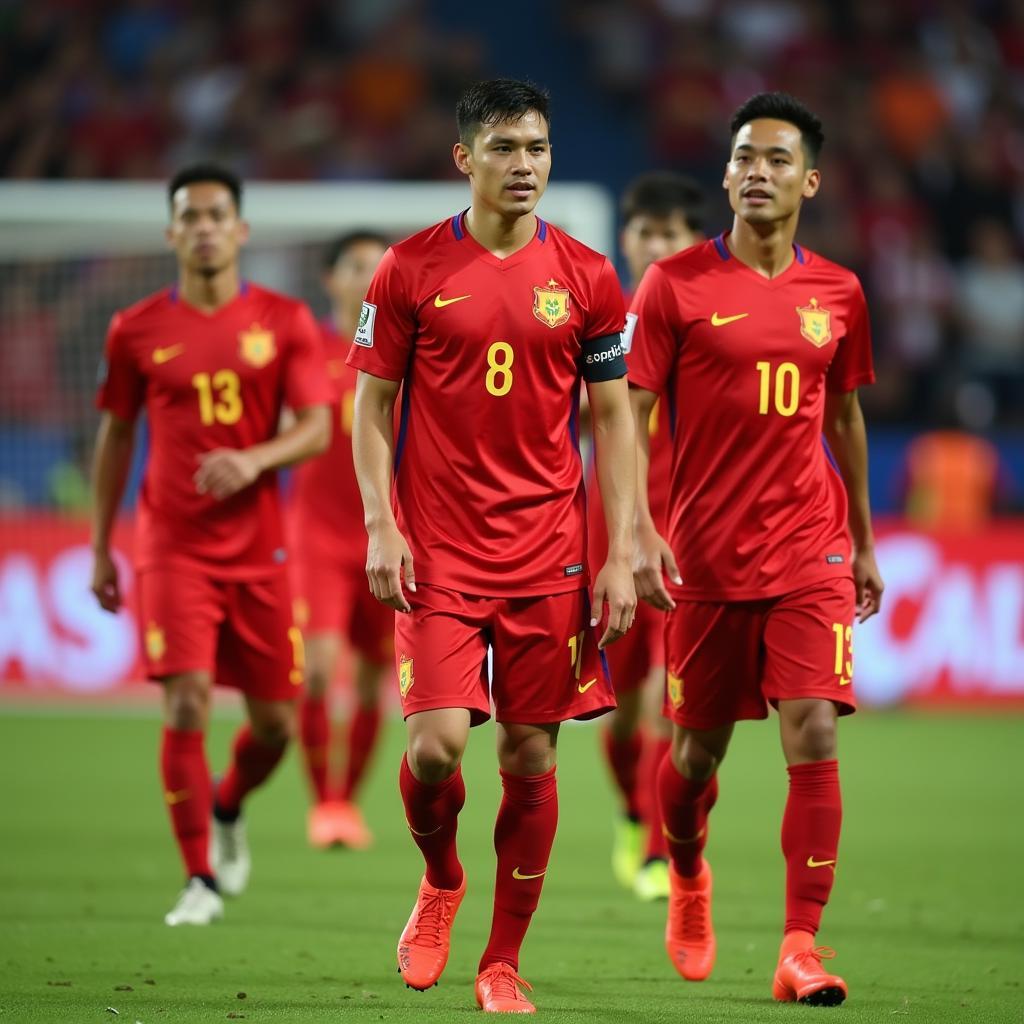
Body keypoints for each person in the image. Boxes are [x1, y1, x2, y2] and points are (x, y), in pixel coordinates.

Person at [348, 79, 637, 1014]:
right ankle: (440, 883)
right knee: (434, 751)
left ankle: (502, 962)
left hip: (549, 551)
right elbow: (371, 406)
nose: (526, 165)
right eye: (507, 148)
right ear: (464, 158)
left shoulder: (589, 275)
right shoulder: (408, 268)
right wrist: (381, 521)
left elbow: (614, 421)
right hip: (437, 552)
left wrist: (621, 547)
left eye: (540, 148)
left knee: (529, 757)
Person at [627, 93, 884, 1005]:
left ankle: (799, 948)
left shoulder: (840, 292)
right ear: (727, 175)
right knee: (694, 758)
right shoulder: (674, 287)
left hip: (810, 550)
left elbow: (845, 415)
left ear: (808, 180)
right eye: (744, 158)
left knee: (813, 727)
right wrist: (635, 525)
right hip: (704, 558)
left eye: (778, 160)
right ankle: (687, 870)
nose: (759, 172)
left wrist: (860, 539)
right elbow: (632, 412)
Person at [90, 163, 331, 927]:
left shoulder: (285, 321)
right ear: (171, 233)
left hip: (261, 550)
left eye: (215, 215)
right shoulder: (134, 329)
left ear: (241, 230)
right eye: (188, 216)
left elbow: (318, 427)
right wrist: (102, 546)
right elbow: (116, 435)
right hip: (171, 545)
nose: (202, 228)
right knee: (186, 698)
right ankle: (198, 877)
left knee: (275, 726)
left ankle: (229, 805)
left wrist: (254, 459)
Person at [587, 172, 705, 902]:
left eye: (671, 233)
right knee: (624, 705)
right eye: (645, 231)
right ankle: (634, 814)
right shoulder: (595, 313)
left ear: (692, 241)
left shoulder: (708, 317)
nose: (656, 244)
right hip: (606, 534)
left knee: (676, 697)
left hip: (687, 533)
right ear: (626, 237)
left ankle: (663, 852)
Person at [287, 230, 392, 849]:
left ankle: (346, 801)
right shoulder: (307, 348)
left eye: (379, 265)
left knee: (378, 677)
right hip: (318, 536)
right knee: (320, 672)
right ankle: (322, 800)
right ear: (330, 279)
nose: (369, 275)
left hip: (386, 535)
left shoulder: (411, 351)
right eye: (356, 265)